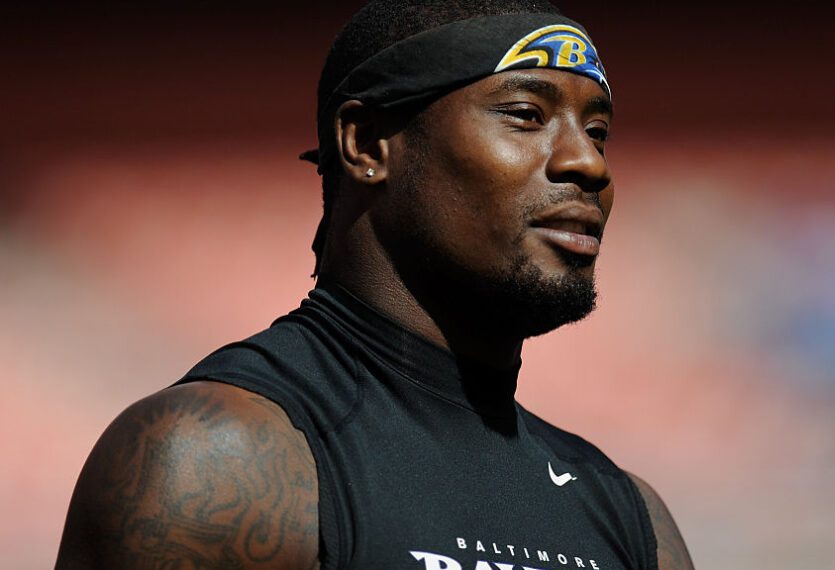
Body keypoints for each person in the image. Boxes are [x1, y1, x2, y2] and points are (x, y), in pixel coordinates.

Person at [56, 1, 694, 568]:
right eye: (526, 114)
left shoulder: (631, 520)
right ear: (366, 145)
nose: (589, 163)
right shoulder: (213, 464)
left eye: (599, 131)